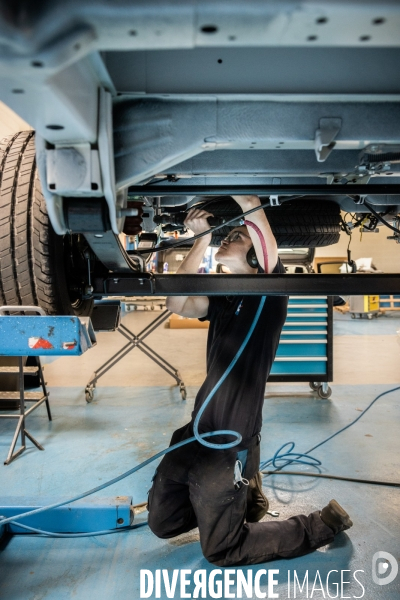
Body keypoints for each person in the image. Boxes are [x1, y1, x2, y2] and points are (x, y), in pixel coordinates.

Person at [147, 194, 353, 566]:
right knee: (163, 523)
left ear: (258, 256)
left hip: (230, 442)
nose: (229, 238)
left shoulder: (269, 295)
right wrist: (202, 241)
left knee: (222, 550)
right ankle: (241, 499)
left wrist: (248, 201)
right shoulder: (224, 298)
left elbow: (261, 228)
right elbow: (178, 303)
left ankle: (320, 523)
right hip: (194, 433)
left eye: (238, 237)